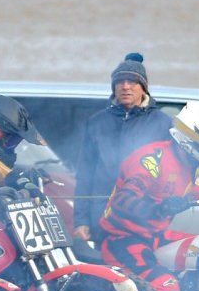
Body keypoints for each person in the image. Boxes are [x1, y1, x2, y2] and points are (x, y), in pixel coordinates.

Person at [96, 102, 199, 291]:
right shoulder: (152, 159)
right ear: (190, 137)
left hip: (156, 235)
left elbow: (187, 190)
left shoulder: (188, 163)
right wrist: (159, 209)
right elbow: (123, 200)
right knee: (167, 289)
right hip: (123, 239)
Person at [73, 53, 172, 242]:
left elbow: (170, 174)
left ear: (143, 88)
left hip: (143, 220)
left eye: (133, 81)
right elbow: (85, 175)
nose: (125, 86)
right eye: (120, 82)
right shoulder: (97, 122)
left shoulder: (163, 123)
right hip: (101, 217)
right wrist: (81, 221)